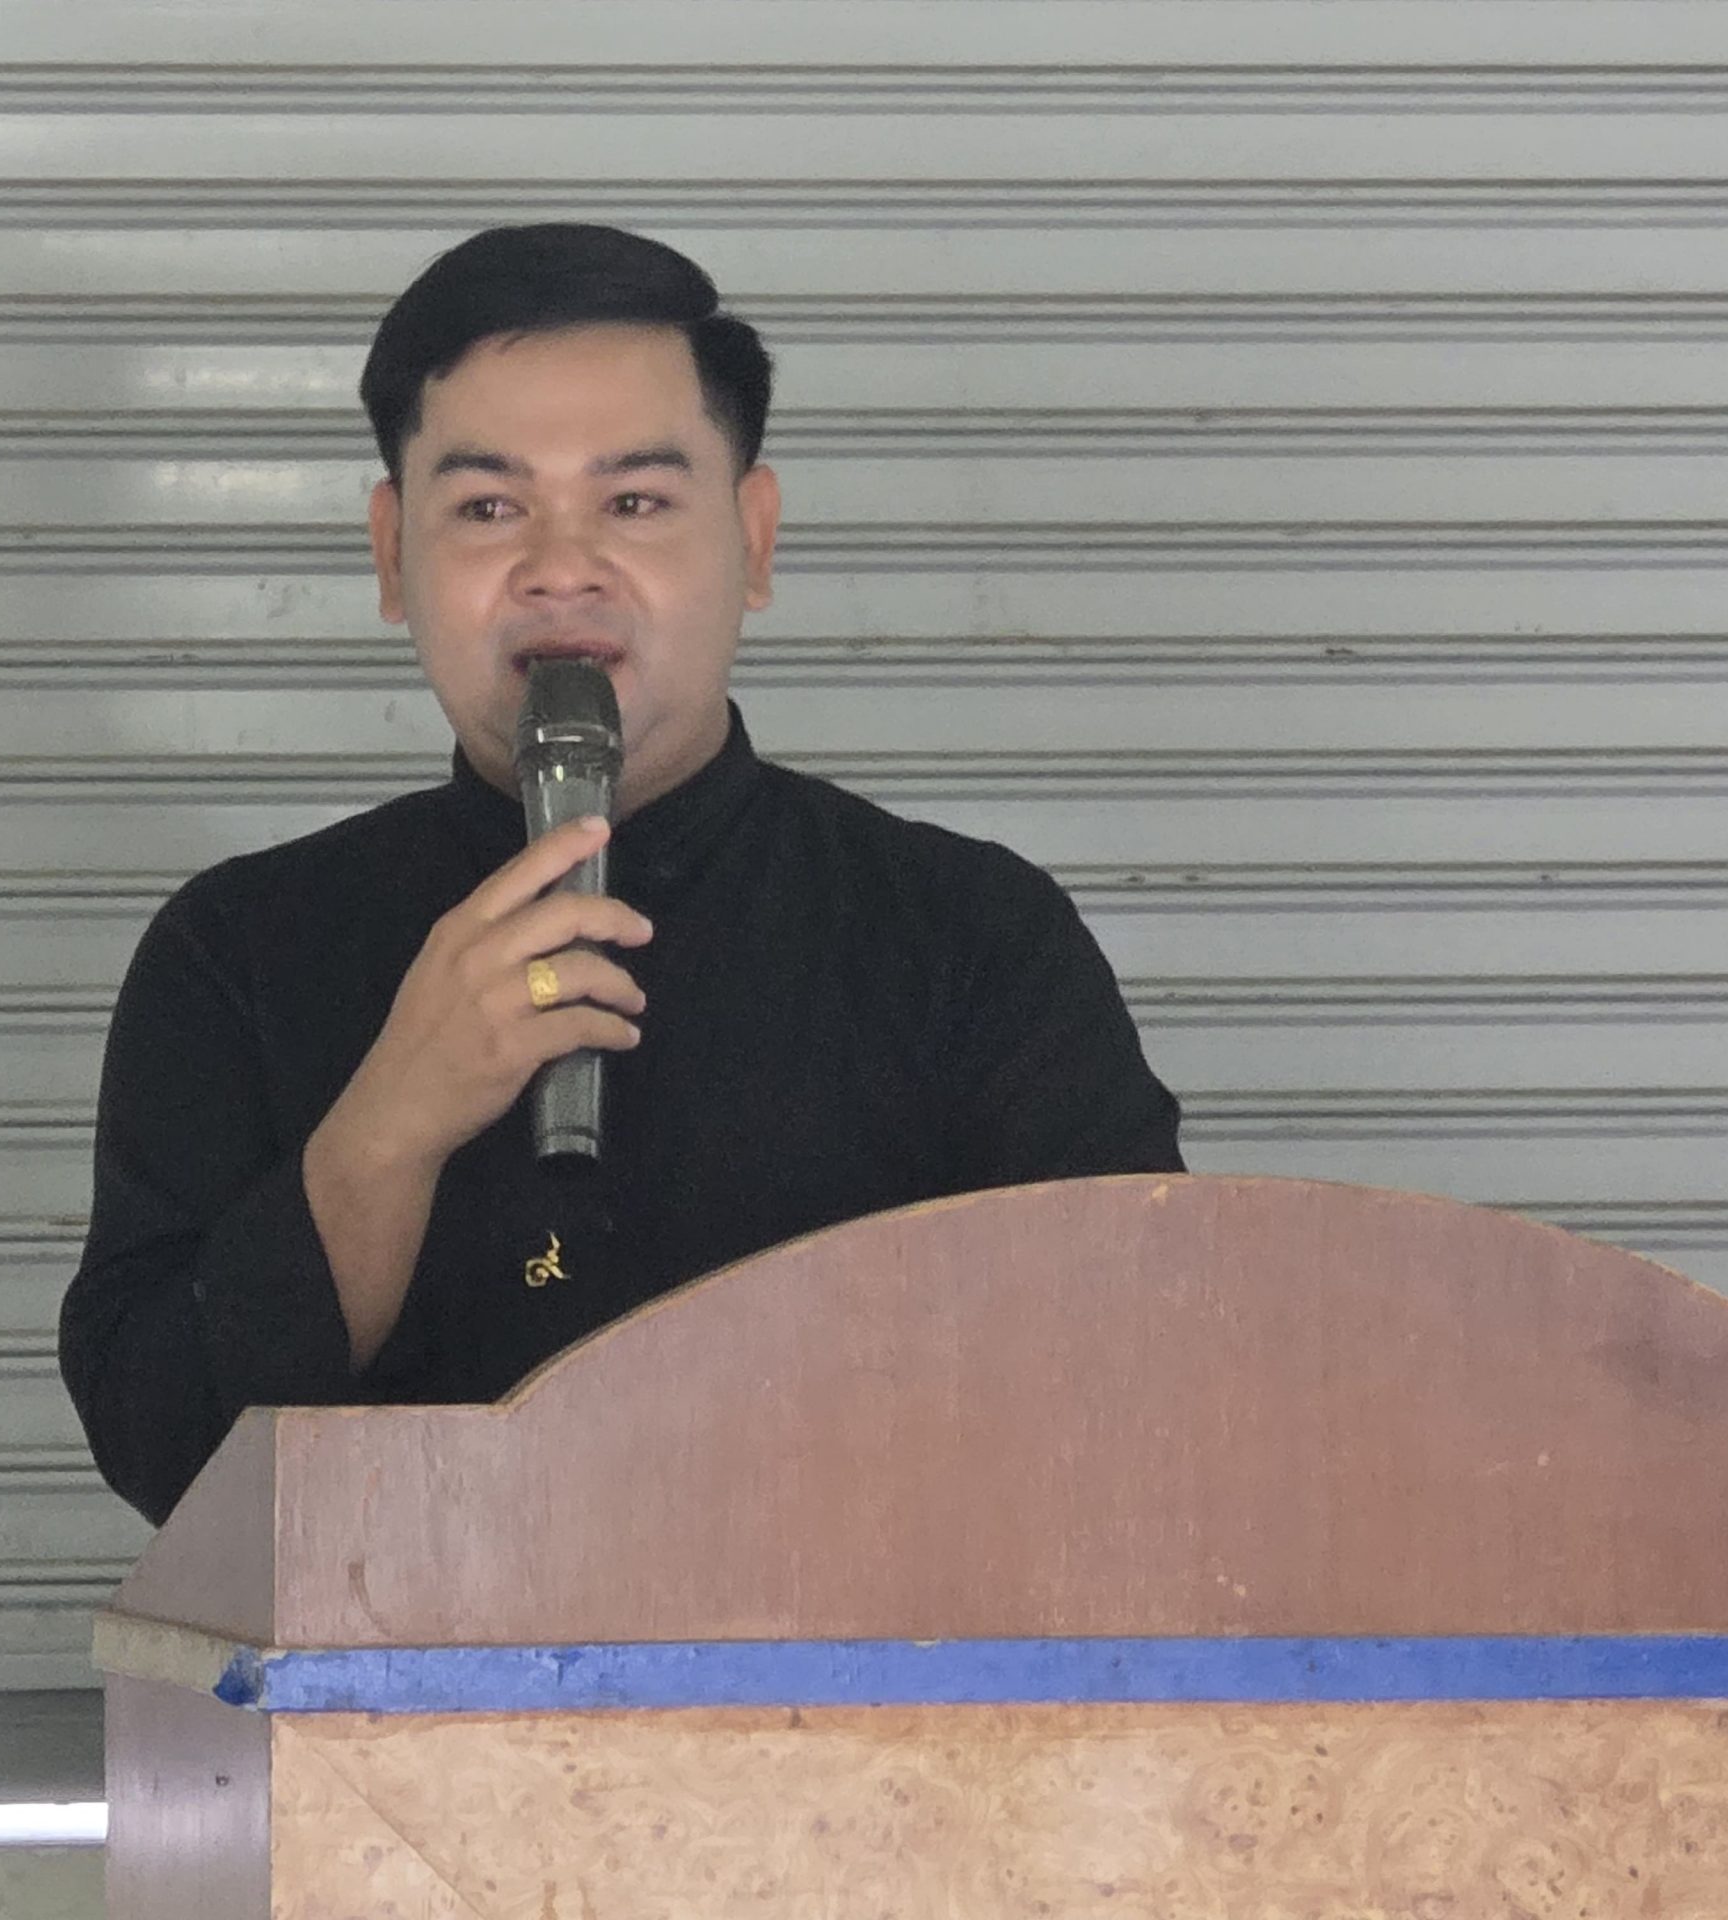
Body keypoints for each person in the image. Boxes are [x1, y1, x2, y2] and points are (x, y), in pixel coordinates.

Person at [59, 224, 1183, 1526]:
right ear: (390, 553)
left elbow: (1143, 1371)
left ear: (755, 538)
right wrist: (388, 1132)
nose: (560, 567)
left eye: (634, 503)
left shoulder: (968, 936)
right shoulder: (240, 949)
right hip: (400, 1660)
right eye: (488, 508)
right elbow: (160, 1454)